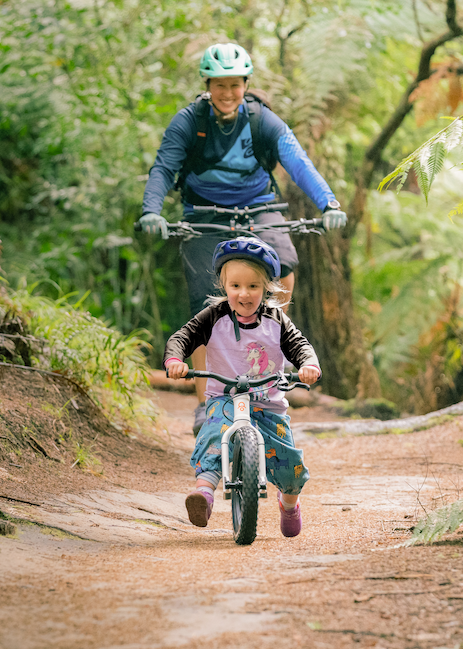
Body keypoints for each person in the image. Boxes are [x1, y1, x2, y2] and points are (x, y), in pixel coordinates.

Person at [139, 42, 346, 436]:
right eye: (219, 85)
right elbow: (164, 167)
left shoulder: (261, 119)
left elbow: (296, 160)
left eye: (234, 85)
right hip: (204, 214)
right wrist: (151, 210)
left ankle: (275, 344)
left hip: (258, 207)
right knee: (205, 304)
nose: (227, 93)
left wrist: (329, 203)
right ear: (208, 84)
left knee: (282, 266)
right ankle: (205, 404)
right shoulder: (189, 121)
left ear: (245, 84)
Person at [164, 236, 320, 537]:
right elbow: (182, 337)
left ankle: (290, 503)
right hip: (224, 398)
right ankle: (204, 494)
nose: (244, 294)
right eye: (236, 286)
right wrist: (175, 359)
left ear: (266, 288)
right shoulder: (213, 316)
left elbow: (299, 345)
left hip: (267, 402)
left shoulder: (276, 320)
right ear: (225, 286)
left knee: (290, 465)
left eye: (253, 287)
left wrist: (308, 365)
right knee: (213, 433)